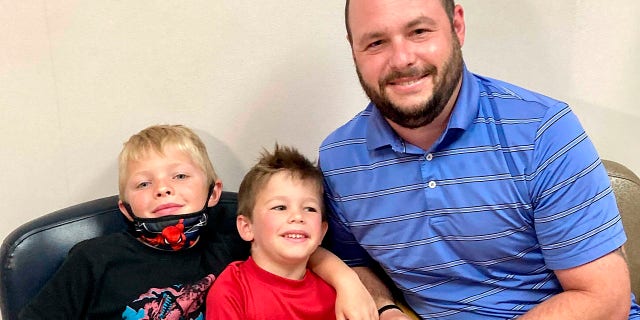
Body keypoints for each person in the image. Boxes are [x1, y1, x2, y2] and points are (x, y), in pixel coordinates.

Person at [319, 0, 640, 319]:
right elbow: (351, 263)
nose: (401, 59)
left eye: (418, 31)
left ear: (457, 26)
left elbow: (605, 301)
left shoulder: (543, 132)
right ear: (354, 49)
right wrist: (385, 308)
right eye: (376, 42)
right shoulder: (339, 159)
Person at [20, 124, 376, 320]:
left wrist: (348, 282)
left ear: (214, 192)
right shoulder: (93, 260)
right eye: (144, 183)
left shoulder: (231, 245)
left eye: (179, 176)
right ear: (126, 209)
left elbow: (295, 246)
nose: (163, 189)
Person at [206, 144, 336, 319]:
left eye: (310, 209)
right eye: (280, 207)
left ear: (321, 231)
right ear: (247, 227)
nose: (297, 216)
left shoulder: (334, 293)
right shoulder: (232, 291)